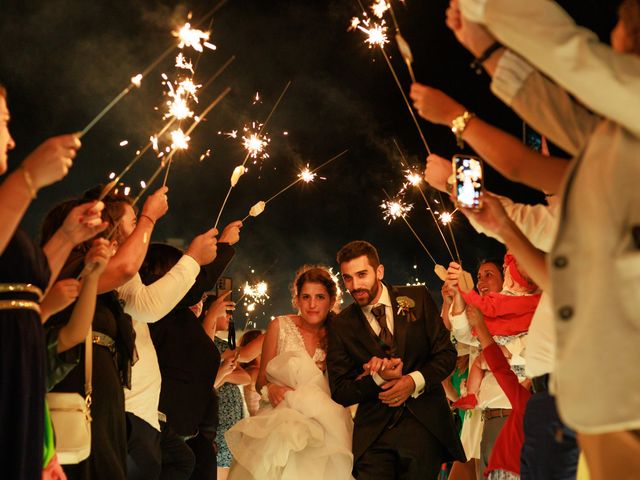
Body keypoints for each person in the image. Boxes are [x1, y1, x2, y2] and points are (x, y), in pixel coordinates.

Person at [443, 1, 640, 476]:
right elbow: (513, 197)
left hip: (605, 378)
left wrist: (460, 113)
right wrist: (466, 186)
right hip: (582, 386)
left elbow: (528, 155)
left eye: (617, 23)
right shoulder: (599, 168)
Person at [0, 83, 106, 480]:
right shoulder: (10, 196)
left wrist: (67, 237)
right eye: (4, 124)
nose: (11, 142)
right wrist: (28, 178)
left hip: (18, 366)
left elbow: (24, 288)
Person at [327, 240, 465, 479]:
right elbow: (340, 391)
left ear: (379, 271)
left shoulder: (418, 297)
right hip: (374, 436)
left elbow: (446, 355)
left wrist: (413, 381)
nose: (355, 285)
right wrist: (378, 378)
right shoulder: (341, 324)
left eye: (362, 274)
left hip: (424, 427)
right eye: (347, 278)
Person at [226, 266, 354, 480]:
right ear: (297, 300)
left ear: (332, 301)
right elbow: (260, 382)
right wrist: (271, 388)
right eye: (306, 297)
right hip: (278, 429)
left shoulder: (339, 336)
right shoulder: (279, 326)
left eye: (320, 297)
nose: (312, 304)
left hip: (322, 433)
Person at [465, 305, 531, 480]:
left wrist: (480, 326)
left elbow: (500, 367)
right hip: (490, 423)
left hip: (509, 426)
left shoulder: (526, 400)